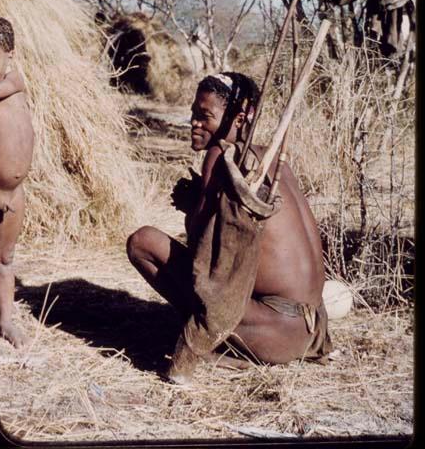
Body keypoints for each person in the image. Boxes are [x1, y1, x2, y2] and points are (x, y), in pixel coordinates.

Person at [127, 72, 331, 383]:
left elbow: (203, 257)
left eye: (205, 115)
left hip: (275, 332)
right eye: (194, 113)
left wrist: (191, 209)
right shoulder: (277, 161)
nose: (194, 123)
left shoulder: (221, 155)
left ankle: (216, 348)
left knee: (142, 241)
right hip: (311, 329)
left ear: (238, 118)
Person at [0, 13, 34, 348]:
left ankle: (5, 320)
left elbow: (0, 85)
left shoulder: (13, 79)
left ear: (10, 58)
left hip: (14, 192)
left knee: (5, 258)